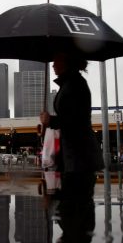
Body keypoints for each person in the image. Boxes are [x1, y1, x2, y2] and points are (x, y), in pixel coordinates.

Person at [40, 53, 104, 198]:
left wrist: (51, 121)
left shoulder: (74, 84)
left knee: (75, 208)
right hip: (76, 156)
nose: (53, 65)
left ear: (66, 61)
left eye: (56, 60)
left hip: (79, 157)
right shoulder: (71, 83)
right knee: (73, 209)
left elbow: (75, 120)